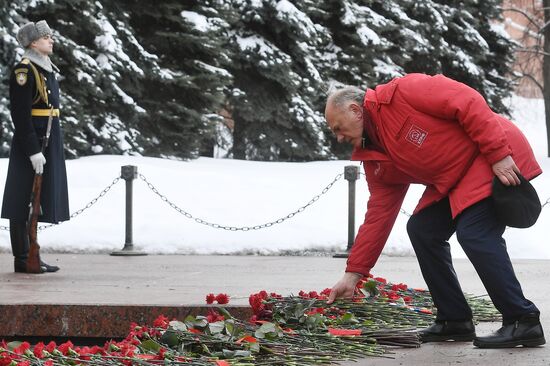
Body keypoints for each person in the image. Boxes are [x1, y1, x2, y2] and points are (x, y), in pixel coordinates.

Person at [324, 73, 545, 348]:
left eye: (337, 128)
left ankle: (523, 320)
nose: (338, 137)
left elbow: (468, 101)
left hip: (490, 153)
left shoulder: (403, 92)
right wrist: (353, 273)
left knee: (474, 233)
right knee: (422, 229)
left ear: (356, 111)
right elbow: (379, 216)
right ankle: (454, 320)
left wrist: (498, 154)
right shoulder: (375, 157)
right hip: (453, 178)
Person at [1, 20, 69, 273]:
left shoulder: (44, 68)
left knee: (36, 199)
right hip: (30, 142)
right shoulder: (25, 69)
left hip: (47, 139)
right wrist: (32, 150)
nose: (51, 40)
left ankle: (32, 254)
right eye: (46, 37)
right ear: (32, 42)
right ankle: (22, 257)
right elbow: (20, 115)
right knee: (21, 200)